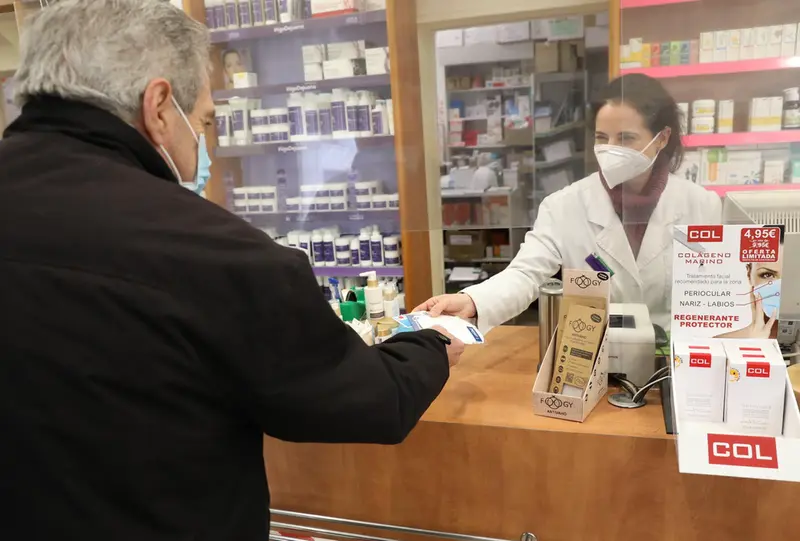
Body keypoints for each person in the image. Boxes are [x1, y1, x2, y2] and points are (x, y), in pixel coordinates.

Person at [0, 2, 464, 540]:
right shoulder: (209, 252)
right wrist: (428, 344)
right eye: (203, 121)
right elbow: (367, 402)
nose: (205, 143)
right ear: (157, 107)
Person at [416, 74, 722, 330]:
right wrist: (472, 301)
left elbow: (721, 294)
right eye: (602, 137)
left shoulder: (702, 206)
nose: (610, 149)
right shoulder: (563, 206)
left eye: (626, 138)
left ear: (663, 138)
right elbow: (525, 274)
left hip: (672, 364)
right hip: (595, 356)